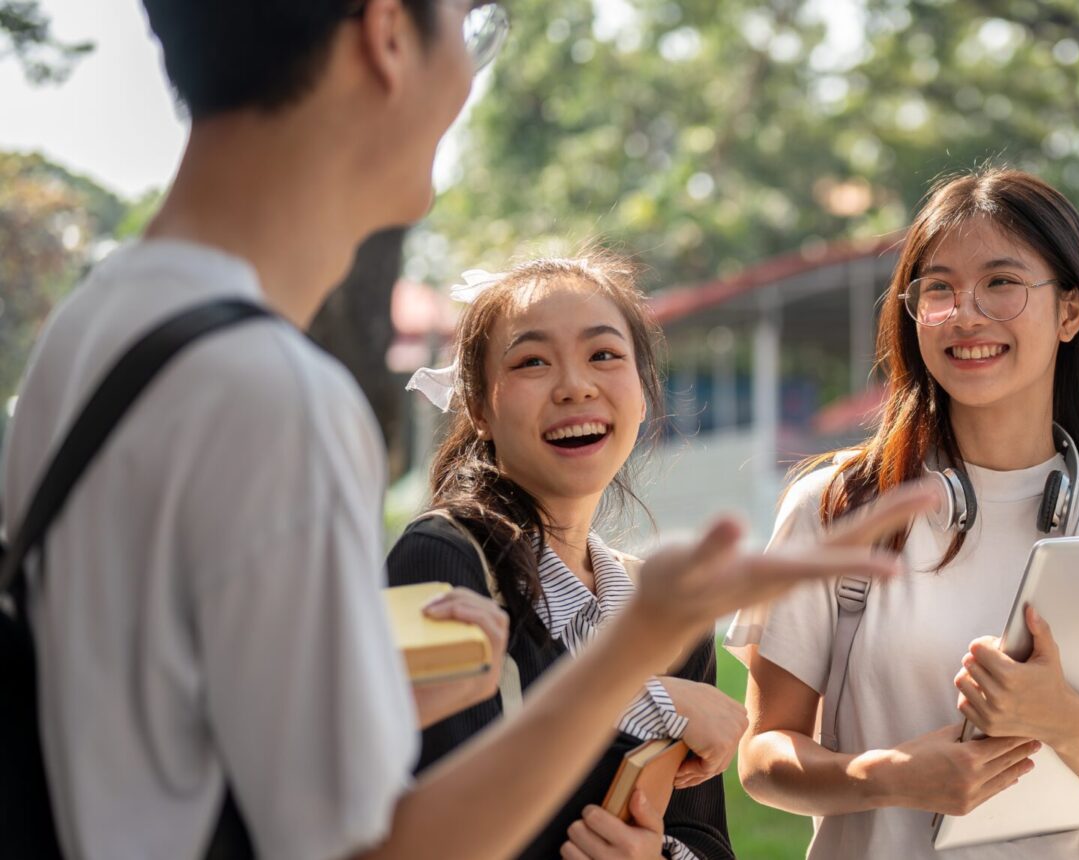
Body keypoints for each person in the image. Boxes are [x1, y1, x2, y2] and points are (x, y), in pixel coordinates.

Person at [0, 2, 931, 857]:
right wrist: (644, 636)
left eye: (605, 356)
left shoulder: (95, 331)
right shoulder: (274, 399)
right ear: (387, 36)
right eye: (471, 27)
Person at [729, 167, 1079, 859]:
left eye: (1001, 283)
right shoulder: (839, 508)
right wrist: (885, 777)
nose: (965, 314)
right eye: (939, 289)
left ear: (1070, 312)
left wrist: (1059, 719)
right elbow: (760, 759)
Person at [387, 252, 743, 859]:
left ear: (642, 387)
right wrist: (647, 696)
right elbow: (445, 815)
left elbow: (701, 839)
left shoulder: (665, 609)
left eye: (604, 354)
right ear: (479, 407)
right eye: (531, 362)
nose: (576, 385)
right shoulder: (443, 557)